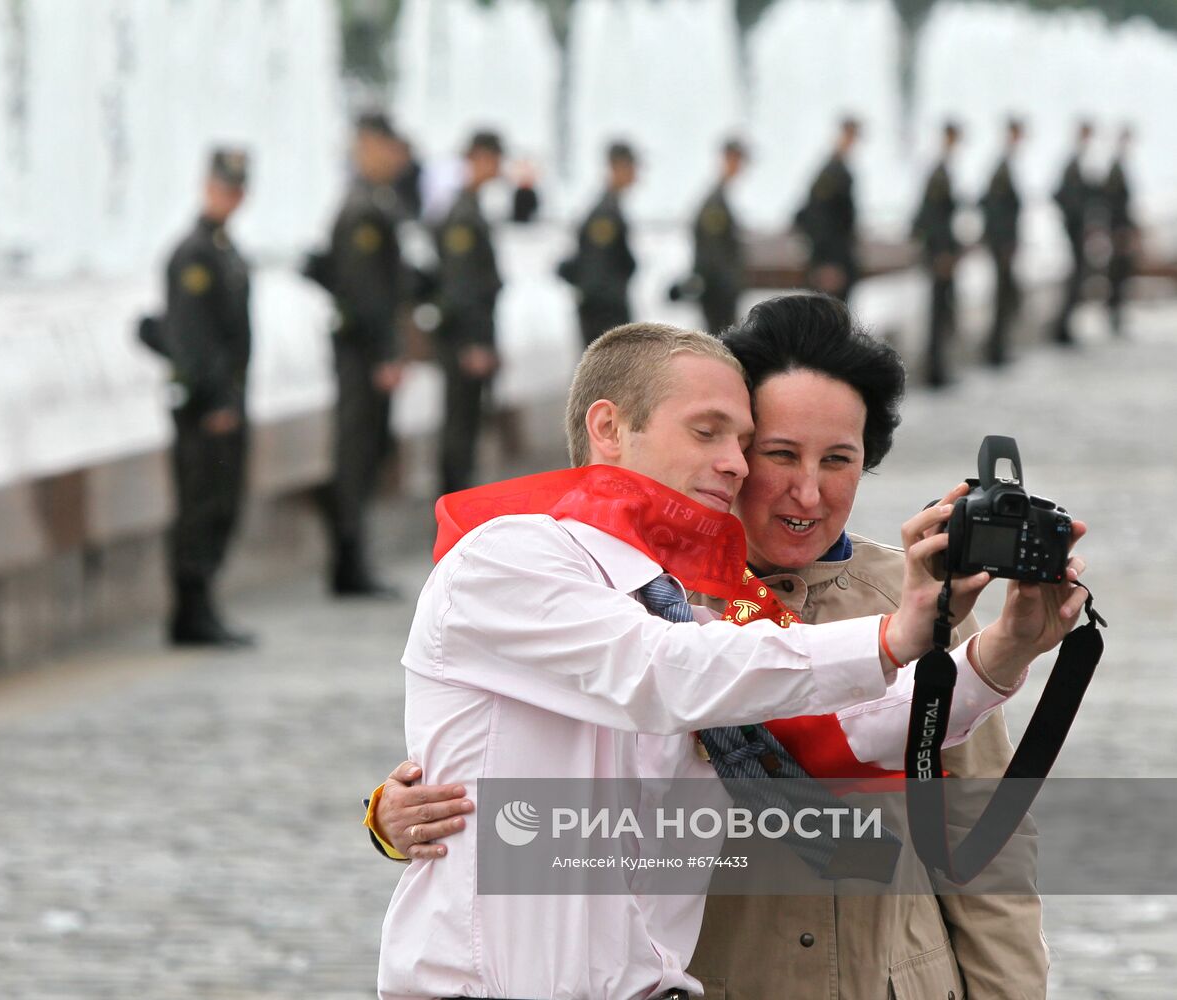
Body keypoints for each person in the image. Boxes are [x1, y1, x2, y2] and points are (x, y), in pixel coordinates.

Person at [371, 296, 1083, 999]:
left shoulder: (896, 595)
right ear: (610, 428)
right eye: (759, 448)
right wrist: (394, 815)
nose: (751, 471)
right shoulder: (531, 564)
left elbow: (879, 753)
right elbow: (659, 674)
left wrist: (1001, 652)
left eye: (838, 458)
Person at [311, 112, 410, 597]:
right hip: (362, 355)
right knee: (356, 454)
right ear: (367, 146)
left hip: (365, 352)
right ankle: (348, 563)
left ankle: (352, 561)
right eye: (386, 147)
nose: (395, 158)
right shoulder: (363, 210)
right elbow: (366, 292)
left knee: (367, 452)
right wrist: (385, 355)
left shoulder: (375, 202)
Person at [158, 147, 254, 647]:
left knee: (222, 504)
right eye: (222, 187)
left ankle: (202, 605)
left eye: (236, 189)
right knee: (200, 506)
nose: (228, 197)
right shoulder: (195, 253)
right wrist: (217, 400)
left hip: (227, 401)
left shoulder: (222, 249)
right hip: (204, 408)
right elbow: (194, 336)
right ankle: (190, 611)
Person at [433, 131, 505, 495]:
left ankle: (457, 496)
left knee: (468, 422)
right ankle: (452, 500)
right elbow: (462, 286)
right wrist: (473, 343)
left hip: (470, 334)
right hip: (464, 338)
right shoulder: (463, 215)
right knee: (460, 423)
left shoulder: (472, 208)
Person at [561, 141, 638, 347]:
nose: (635, 174)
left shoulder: (611, 208)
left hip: (603, 311)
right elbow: (598, 271)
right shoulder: (605, 214)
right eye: (630, 167)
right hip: (604, 314)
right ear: (616, 167)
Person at [672, 137, 747, 333]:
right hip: (718, 290)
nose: (740, 167)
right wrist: (728, 283)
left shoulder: (719, 198)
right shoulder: (715, 203)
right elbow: (713, 251)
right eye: (736, 159)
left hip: (718, 288)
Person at [911, 121, 963, 388]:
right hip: (939, 253)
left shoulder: (943, 171)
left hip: (942, 251)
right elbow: (932, 217)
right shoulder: (938, 174)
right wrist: (941, 252)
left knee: (943, 310)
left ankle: (938, 368)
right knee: (937, 312)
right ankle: (934, 371)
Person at [795, 117, 860, 302]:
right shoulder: (831, 173)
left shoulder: (841, 170)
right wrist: (827, 262)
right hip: (830, 262)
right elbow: (816, 217)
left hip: (838, 259)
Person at [980, 118, 1025, 366]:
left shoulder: (1006, 166)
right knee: (1002, 295)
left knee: (1007, 295)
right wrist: (1004, 242)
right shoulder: (1002, 169)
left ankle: (999, 347)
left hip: (1003, 243)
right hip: (1001, 244)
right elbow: (996, 209)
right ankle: (995, 350)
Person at [1052, 121, 1096, 347]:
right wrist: (1074, 222)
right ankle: (1061, 330)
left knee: (1079, 278)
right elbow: (1062, 196)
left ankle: (1064, 329)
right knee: (1075, 277)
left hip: (1077, 229)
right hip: (1075, 229)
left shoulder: (1079, 164)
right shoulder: (1072, 165)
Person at [1103, 125, 1137, 337]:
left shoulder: (1120, 168)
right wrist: (1119, 230)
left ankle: (1116, 316)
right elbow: (1113, 203)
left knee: (1121, 272)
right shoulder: (1115, 169)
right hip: (1118, 231)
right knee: (1117, 273)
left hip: (1121, 229)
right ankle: (1113, 316)